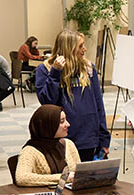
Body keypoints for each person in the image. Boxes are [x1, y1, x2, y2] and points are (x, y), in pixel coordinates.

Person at [35, 29, 110, 162]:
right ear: (69, 48)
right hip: (61, 138)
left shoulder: (88, 68)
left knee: (88, 180)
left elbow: (99, 105)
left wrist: (104, 138)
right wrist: (55, 73)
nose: (84, 49)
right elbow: (47, 102)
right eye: (80, 46)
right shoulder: (46, 69)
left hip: (88, 138)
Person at [14, 105, 80, 187]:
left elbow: (79, 173)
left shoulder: (68, 144)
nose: (68, 124)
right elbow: (21, 178)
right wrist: (62, 178)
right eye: (62, 121)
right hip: (44, 194)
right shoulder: (30, 151)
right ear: (48, 126)